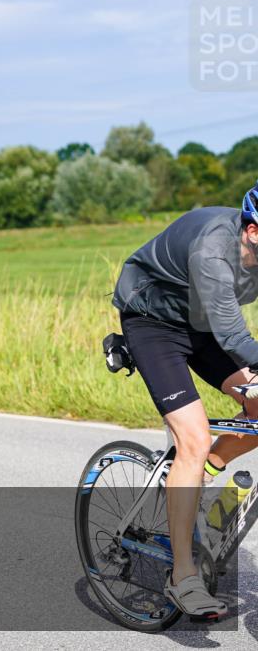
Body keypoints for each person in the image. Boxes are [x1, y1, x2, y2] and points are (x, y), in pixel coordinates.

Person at [113, 181, 258, 619]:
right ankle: (182, 575)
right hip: (153, 321)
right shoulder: (214, 251)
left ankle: (204, 471)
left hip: (201, 322)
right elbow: (235, 336)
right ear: (254, 232)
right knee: (193, 438)